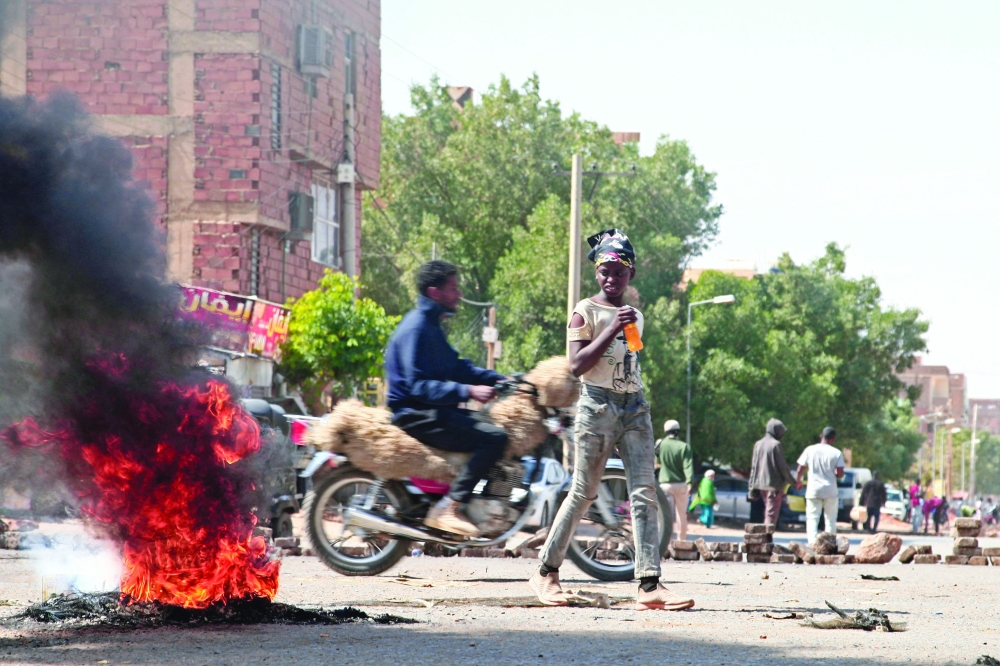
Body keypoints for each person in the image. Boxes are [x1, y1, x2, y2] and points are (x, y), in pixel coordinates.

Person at [529, 228, 694, 611]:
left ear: (630, 276)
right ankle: (545, 572)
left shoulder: (634, 315)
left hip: (634, 407)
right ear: (597, 272)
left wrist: (624, 328)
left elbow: (630, 357)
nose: (611, 278)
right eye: (605, 270)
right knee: (584, 493)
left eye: (619, 272)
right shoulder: (585, 311)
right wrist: (611, 328)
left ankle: (649, 585)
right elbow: (577, 366)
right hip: (596, 407)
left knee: (644, 493)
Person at [384, 260, 507, 538]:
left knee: (493, 425)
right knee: (495, 438)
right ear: (434, 292)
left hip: (431, 411)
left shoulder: (430, 325)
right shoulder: (418, 328)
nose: (458, 294)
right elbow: (418, 386)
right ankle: (449, 507)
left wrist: (496, 378)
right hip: (417, 415)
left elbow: (457, 367)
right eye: (452, 288)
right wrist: (468, 391)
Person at [795, 426, 845, 544]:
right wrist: (834, 474)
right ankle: (830, 544)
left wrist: (798, 481)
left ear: (821, 436)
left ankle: (812, 543)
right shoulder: (836, 453)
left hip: (813, 489)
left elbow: (800, 469)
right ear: (833, 439)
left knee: (812, 518)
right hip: (830, 490)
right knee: (830, 520)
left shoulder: (810, 450)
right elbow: (840, 474)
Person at [748, 419, 796, 526]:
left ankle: (766, 537)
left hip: (761, 485)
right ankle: (767, 538)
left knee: (768, 512)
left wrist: (751, 488)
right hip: (774, 486)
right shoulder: (776, 445)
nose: (782, 435)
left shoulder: (758, 444)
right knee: (771, 515)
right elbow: (783, 468)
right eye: (781, 432)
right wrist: (794, 483)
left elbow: (754, 468)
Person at [656, 419, 694, 540]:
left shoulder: (661, 444)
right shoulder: (684, 447)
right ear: (678, 431)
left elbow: (657, 463)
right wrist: (689, 483)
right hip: (681, 484)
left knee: (665, 515)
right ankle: (681, 541)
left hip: (665, 485)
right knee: (681, 515)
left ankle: (663, 541)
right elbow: (688, 466)